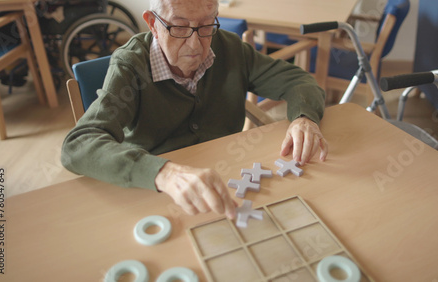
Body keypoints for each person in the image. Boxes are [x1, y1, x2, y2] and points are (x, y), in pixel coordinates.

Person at [61, 0, 328, 220]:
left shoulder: (230, 48)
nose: (195, 45)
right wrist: (163, 173)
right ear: (153, 23)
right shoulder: (131, 66)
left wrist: (304, 117)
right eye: (179, 27)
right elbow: (78, 145)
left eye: (206, 26)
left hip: (229, 178)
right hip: (156, 192)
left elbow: (298, 81)